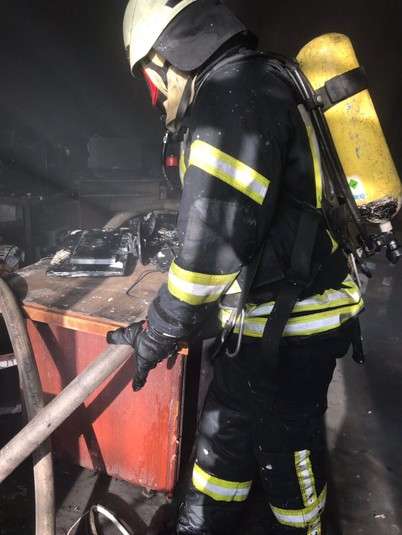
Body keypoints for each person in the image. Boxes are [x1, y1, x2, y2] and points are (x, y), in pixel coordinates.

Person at [107, 1, 364, 533]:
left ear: (165, 58)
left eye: (151, 83)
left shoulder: (229, 96)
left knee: (287, 457)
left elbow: (209, 252)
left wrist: (156, 334)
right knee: (222, 438)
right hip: (260, 326)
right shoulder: (255, 81)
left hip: (293, 331)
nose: (158, 100)